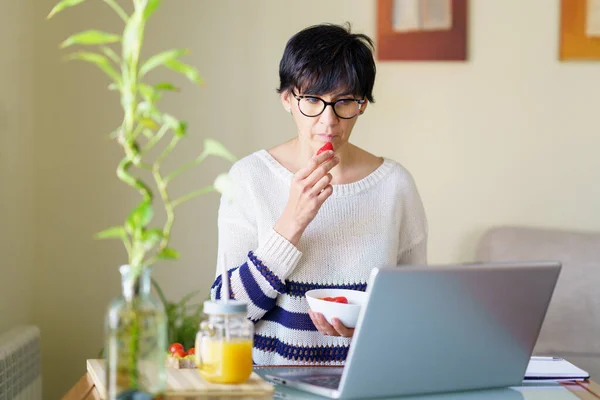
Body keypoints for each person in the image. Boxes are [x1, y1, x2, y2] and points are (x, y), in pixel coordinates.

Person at [210, 23, 428, 365]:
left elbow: (416, 313)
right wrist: (290, 224)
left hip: (365, 384)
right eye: (312, 99)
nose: (328, 121)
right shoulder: (249, 178)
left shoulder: (395, 186)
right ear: (287, 99)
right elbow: (226, 316)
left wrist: (370, 330)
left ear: (363, 105)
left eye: (344, 103)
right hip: (272, 387)